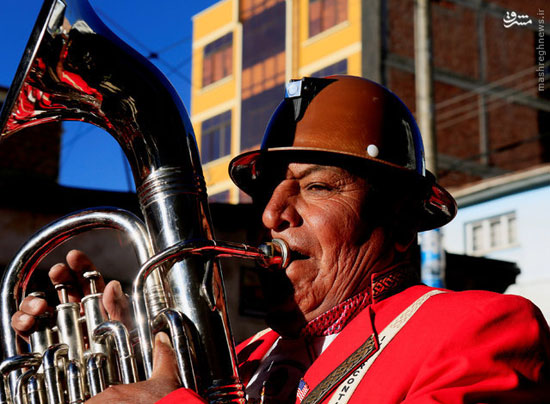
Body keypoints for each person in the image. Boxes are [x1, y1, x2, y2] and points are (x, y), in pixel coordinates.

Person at [11, 76, 550, 403]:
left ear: (402, 223)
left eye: (315, 186)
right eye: (267, 192)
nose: (270, 214)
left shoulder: (480, 329)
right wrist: (119, 364)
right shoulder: (239, 357)